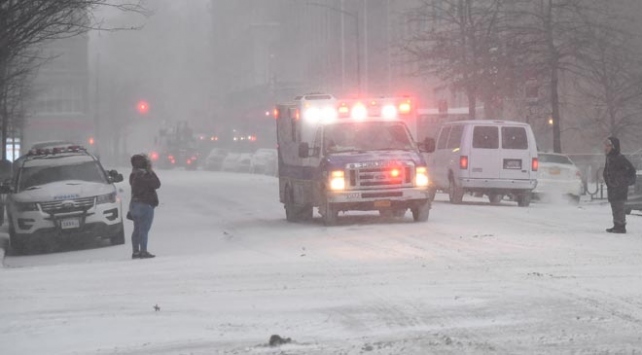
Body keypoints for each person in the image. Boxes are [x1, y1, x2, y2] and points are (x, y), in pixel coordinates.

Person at [129, 153, 161, 258]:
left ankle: (135, 251)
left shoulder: (133, 175)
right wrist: (150, 172)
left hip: (134, 204)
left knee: (136, 229)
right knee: (144, 229)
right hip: (146, 204)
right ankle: (143, 251)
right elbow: (157, 184)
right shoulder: (147, 175)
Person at [602, 136, 636, 234]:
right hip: (612, 187)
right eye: (605, 145)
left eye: (608, 145)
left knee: (619, 206)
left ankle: (621, 226)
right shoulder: (609, 158)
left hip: (619, 187)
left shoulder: (620, 158)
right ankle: (616, 224)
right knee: (614, 205)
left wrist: (623, 181)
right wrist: (608, 181)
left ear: (613, 147)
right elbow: (607, 171)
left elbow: (631, 170)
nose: (605, 147)